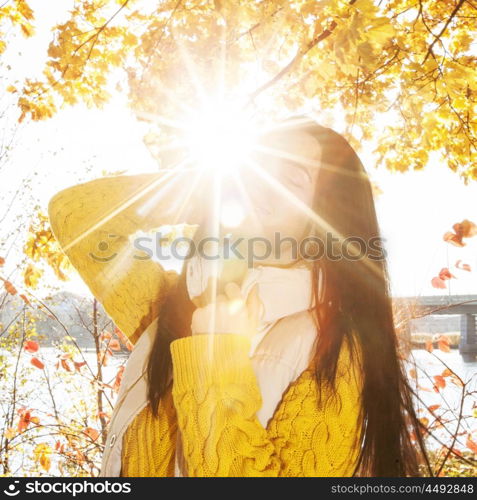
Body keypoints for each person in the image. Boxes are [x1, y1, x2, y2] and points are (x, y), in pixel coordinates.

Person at [47, 114, 431, 477]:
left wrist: (216, 352)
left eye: (291, 178)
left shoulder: (336, 348)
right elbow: (77, 216)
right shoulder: (179, 303)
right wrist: (196, 191)